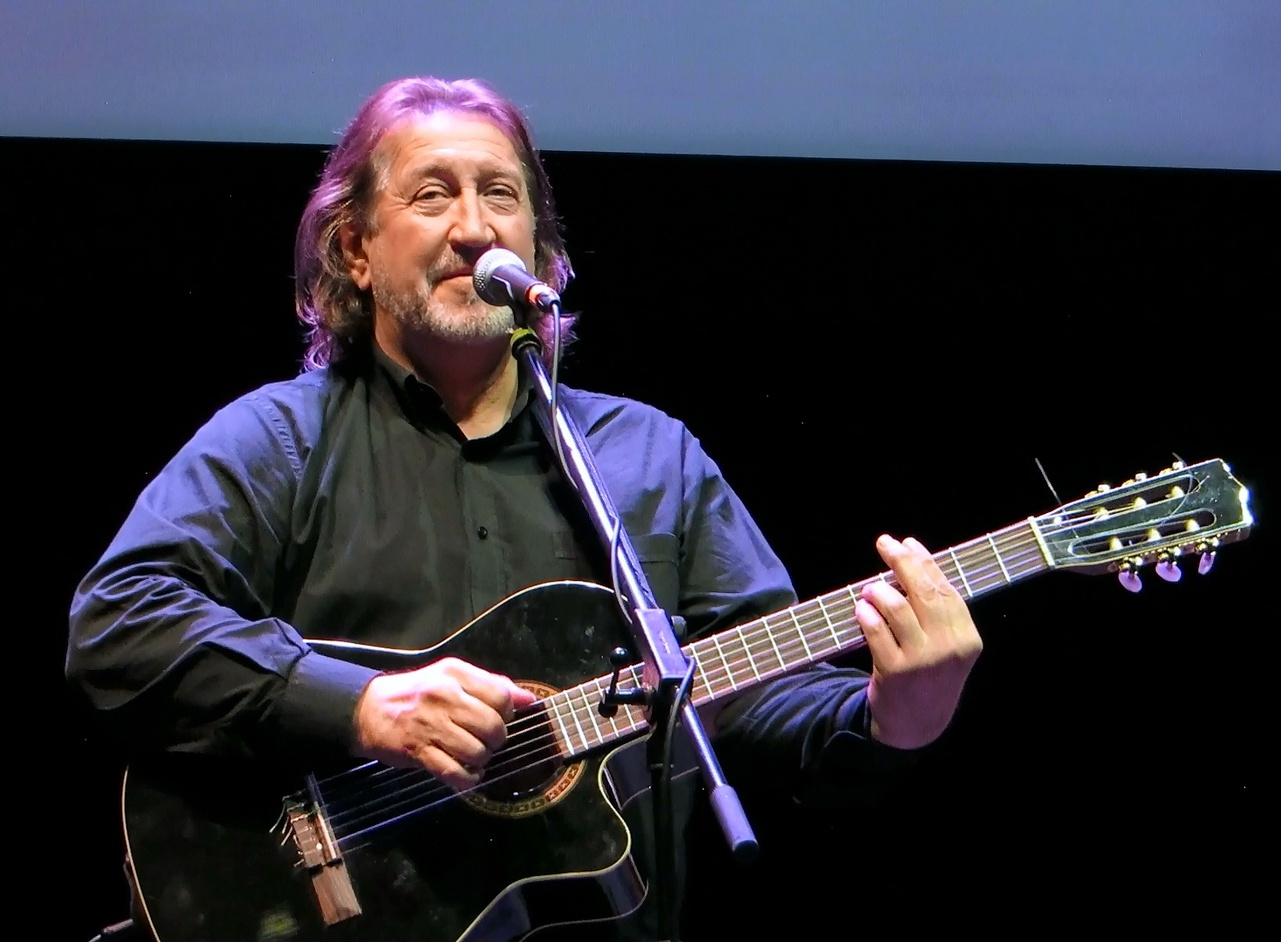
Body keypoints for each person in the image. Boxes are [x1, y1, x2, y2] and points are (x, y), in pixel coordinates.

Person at [66, 76, 983, 941]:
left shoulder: (649, 458)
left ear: (539, 250)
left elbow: (749, 698)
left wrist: (894, 713)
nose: (474, 229)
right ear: (354, 249)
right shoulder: (280, 438)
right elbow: (119, 623)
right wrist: (361, 706)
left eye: (500, 195)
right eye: (432, 195)